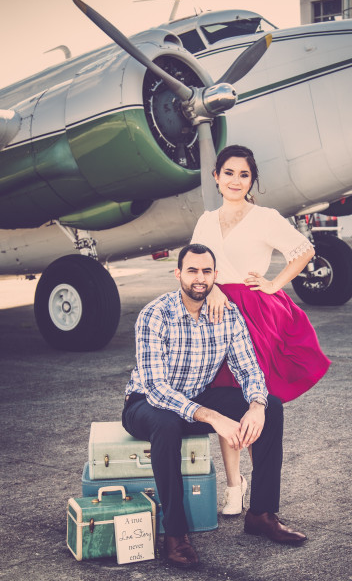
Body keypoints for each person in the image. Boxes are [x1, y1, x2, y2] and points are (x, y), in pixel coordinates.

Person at [122, 244, 306, 569]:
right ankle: (175, 535)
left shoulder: (228, 314)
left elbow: (249, 369)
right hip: (146, 404)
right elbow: (156, 389)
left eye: (206, 271)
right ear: (178, 273)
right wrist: (214, 418)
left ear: (215, 276)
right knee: (166, 425)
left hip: (196, 396)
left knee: (273, 407)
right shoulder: (154, 314)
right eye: (192, 270)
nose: (199, 278)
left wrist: (257, 404)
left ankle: (261, 514)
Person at [191, 144, 331, 516]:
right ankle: (234, 486)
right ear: (216, 176)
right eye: (229, 173)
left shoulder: (265, 217)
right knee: (224, 394)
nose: (235, 180)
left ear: (252, 181)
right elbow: (197, 265)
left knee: (253, 398)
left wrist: (274, 284)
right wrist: (214, 287)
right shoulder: (206, 220)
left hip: (254, 315)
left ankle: (259, 491)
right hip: (214, 314)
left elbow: (303, 251)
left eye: (244, 174)